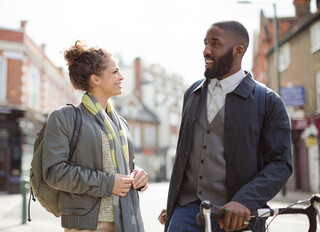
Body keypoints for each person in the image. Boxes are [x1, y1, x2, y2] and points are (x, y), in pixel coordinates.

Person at [163, 20, 292, 232]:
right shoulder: (192, 93)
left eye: (215, 44)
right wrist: (173, 205)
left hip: (238, 217)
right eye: (205, 43)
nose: (206, 50)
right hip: (186, 212)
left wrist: (245, 200)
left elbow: (280, 163)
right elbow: (184, 157)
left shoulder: (268, 100)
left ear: (237, 50)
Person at [42, 40, 148, 232]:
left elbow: (125, 165)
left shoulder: (121, 123)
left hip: (125, 224)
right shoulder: (64, 118)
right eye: (114, 72)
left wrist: (138, 174)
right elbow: (54, 173)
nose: (121, 77)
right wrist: (108, 183)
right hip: (88, 226)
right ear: (95, 79)